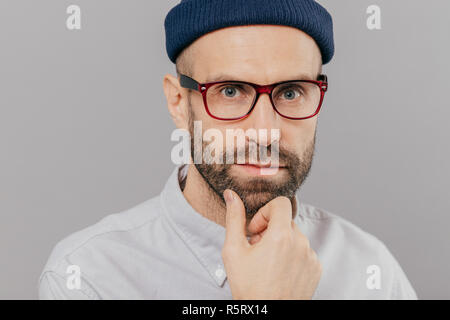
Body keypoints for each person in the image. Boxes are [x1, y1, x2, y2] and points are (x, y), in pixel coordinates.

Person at [39, 0, 417, 299]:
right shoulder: (89, 277)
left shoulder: (372, 273)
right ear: (177, 102)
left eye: (290, 92)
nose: (265, 133)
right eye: (231, 92)